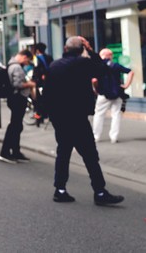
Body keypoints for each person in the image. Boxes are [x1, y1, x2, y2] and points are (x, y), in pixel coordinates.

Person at [43, 36, 124, 205]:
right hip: (77, 116)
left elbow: (47, 93)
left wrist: (48, 114)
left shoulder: (54, 65)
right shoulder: (83, 63)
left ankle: (60, 189)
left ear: (65, 49)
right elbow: (103, 69)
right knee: (90, 155)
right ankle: (100, 192)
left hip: (60, 117)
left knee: (63, 152)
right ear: (81, 50)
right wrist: (92, 50)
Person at [0, 49, 35, 163]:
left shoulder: (11, 64)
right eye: (27, 60)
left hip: (14, 98)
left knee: (17, 125)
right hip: (18, 98)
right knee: (14, 126)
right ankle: (5, 152)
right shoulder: (17, 67)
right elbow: (17, 84)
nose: (27, 63)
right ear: (24, 57)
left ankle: (15, 151)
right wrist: (30, 84)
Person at [92, 48, 133, 144]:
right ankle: (114, 137)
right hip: (117, 93)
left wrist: (95, 89)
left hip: (103, 94)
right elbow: (131, 72)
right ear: (110, 56)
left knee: (99, 114)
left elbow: (94, 80)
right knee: (116, 115)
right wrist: (126, 85)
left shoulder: (98, 66)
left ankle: (96, 136)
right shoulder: (116, 65)